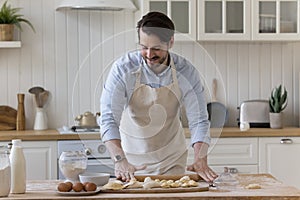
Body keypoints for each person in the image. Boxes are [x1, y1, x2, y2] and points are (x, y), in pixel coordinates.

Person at [99, 11, 217, 183]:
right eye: (143, 47)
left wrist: (200, 158)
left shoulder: (186, 71)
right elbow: (109, 118)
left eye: (156, 48)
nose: (148, 54)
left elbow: (199, 120)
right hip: (131, 162)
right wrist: (120, 159)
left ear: (170, 42)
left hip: (172, 160)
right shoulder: (123, 69)